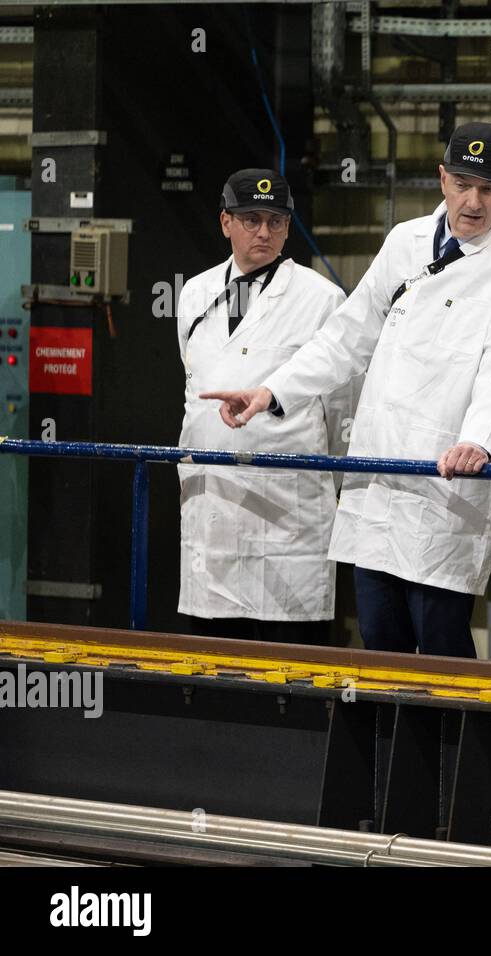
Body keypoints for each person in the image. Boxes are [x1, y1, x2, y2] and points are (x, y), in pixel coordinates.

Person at [201, 123, 491, 658]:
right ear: (442, 179)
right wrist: (271, 392)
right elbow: (348, 335)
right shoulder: (405, 241)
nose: (473, 200)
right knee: (379, 641)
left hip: (447, 484)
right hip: (378, 475)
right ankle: (384, 742)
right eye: (462, 183)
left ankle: (454, 742)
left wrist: (478, 442)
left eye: (487, 186)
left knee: (439, 644)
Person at [176, 169, 353, 645]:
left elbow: (341, 408)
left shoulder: (321, 298)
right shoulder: (194, 293)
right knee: (214, 658)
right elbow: (193, 381)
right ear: (225, 222)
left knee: (291, 660)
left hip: (286, 509)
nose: (264, 232)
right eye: (251, 219)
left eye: (276, 221)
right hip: (211, 504)